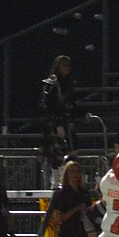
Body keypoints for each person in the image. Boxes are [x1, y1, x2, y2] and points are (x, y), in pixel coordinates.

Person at [40, 54, 81, 187]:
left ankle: (68, 179)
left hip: (67, 120)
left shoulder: (68, 82)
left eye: (68, 65)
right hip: (55, 121)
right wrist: (57, 124)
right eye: (64, 65)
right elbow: (49, 104)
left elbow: (72, 103)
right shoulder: (53, 82)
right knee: (57, 152)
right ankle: (56, 179)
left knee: (73, 150)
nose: (67, 68)